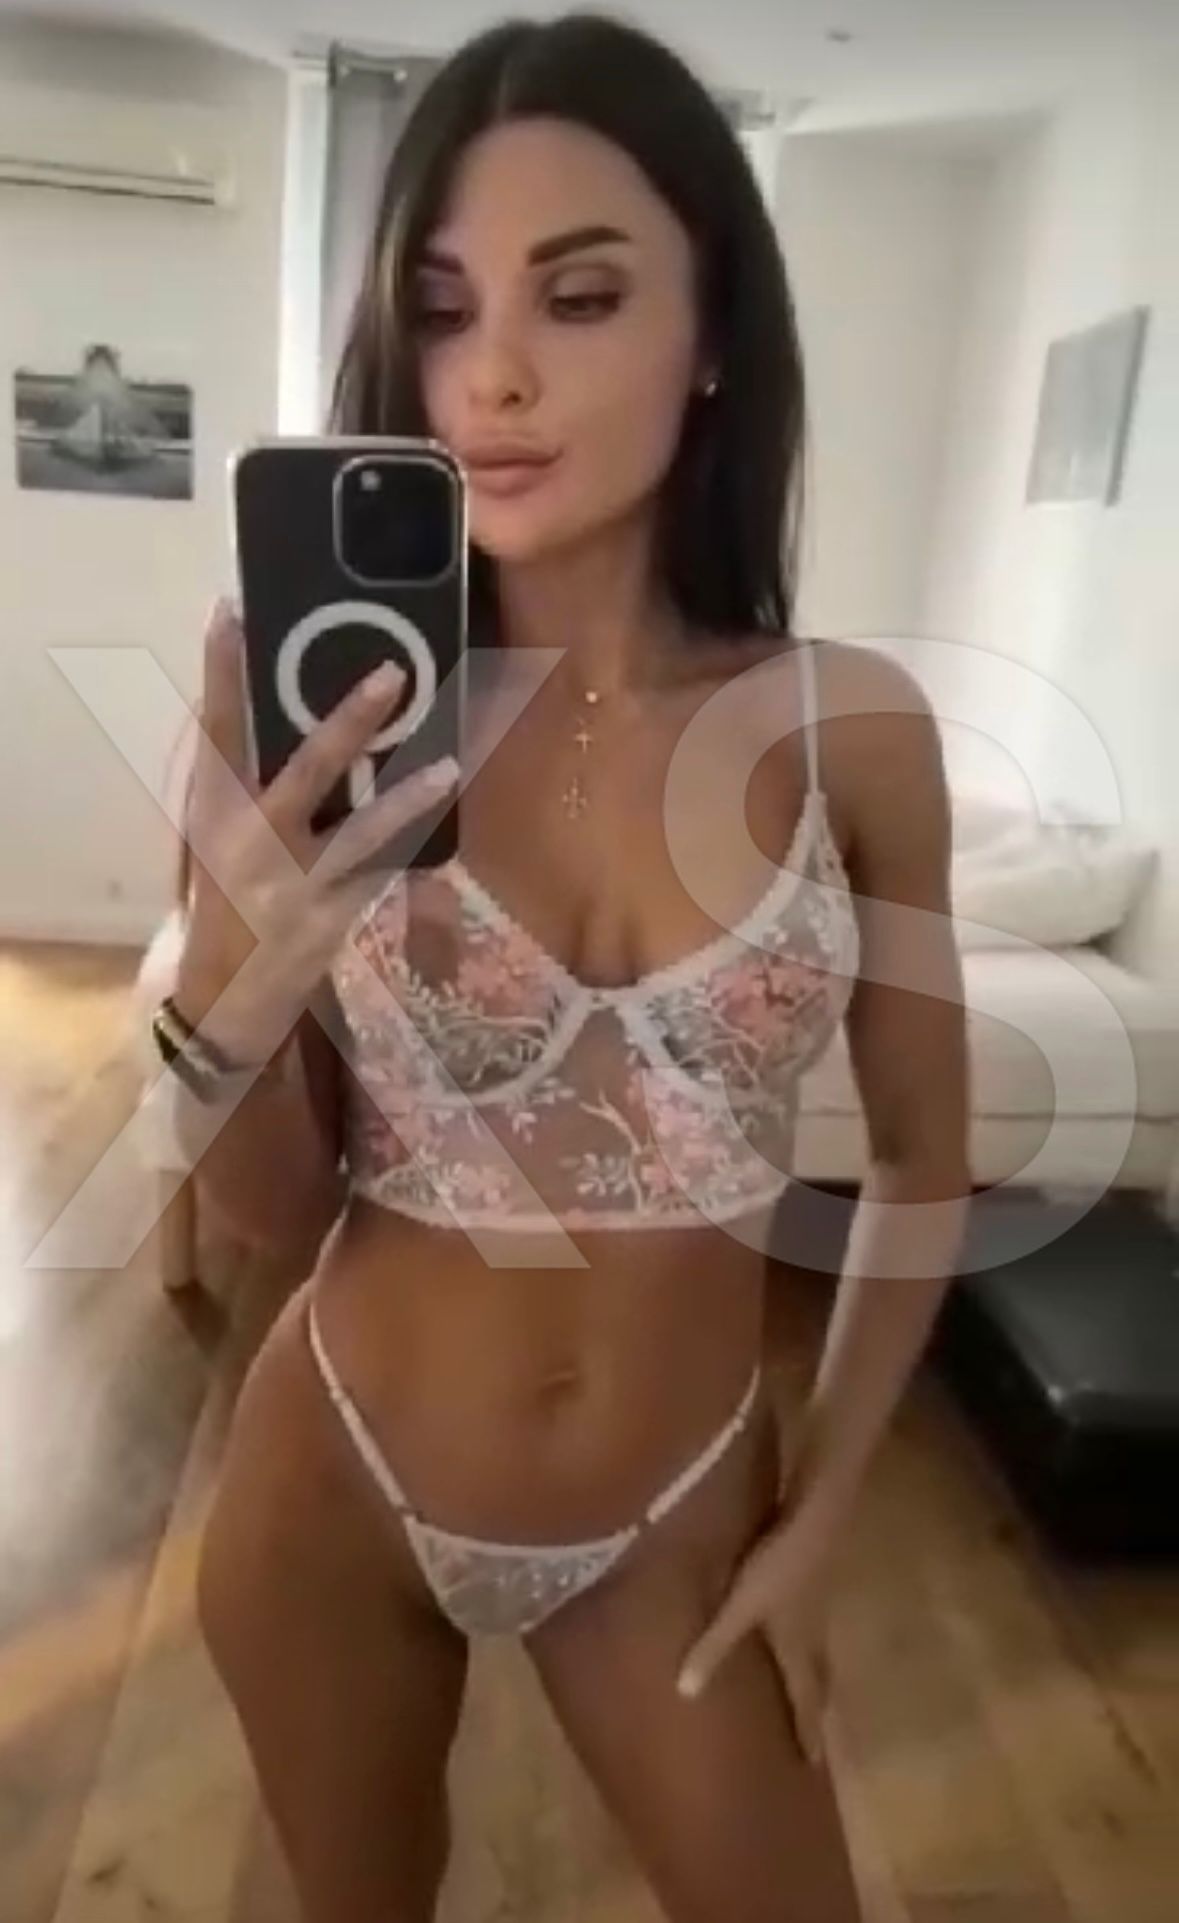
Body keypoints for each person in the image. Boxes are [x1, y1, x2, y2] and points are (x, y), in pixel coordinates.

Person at [164, 15, 970, 1921]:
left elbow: (925, 1162)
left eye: (581, 297)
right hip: (337, 1479)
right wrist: (234, 985)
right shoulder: (297, 687)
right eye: (442, 310)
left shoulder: (855, 732)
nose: (495, 374)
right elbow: (270, 1209)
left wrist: (823, 1515)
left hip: (681, 1510)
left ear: (715, 334)